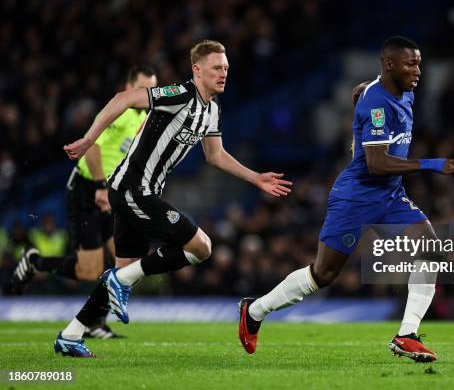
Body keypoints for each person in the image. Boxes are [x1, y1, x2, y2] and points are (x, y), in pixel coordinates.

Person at [55, 40, 292, 358]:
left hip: (140, 192)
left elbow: (216, 155)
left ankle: (70, 335)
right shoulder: (178, 95)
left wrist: (255, 178)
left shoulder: (212, 110)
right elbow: (124, 98)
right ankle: (119, 279)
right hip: (133, 190)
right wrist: (88, 139)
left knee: (127, 272)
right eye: (216, 68)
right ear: (197, 70)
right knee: (201, 247)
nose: (223, 74)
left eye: (226, 68)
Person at [238, 36, 454, 362]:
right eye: (411, 63)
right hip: (356, 196)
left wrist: (363, 96)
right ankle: (254, 310)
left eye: (419, 63)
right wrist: (431, 163)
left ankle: (407, 335)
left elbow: (362, 90)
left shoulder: (401, 90)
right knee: (323, 275)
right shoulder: (378, 105)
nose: (418, 70)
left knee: (430, 250)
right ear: (389, 65)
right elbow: (377, 163)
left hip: (390, 196)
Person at [11, 65, 158, 338]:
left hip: (111, 194)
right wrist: (101, 187)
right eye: (142, 88)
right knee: (89, 270)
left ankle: (94, 322)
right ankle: (35, 263)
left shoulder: (144, 117)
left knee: (127, 262)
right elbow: (94, 145)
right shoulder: (121, 111)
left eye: (151, 89)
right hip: (88, 190)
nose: (146, 94)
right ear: (129, 87)